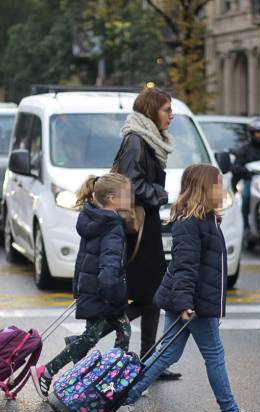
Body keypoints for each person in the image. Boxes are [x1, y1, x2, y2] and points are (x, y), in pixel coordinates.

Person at [112, 164, 260, 412]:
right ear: (204, 189)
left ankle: (126, 399)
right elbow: (184, 266)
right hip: (193, 303)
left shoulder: (204, 219)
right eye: (218, 185)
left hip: (191, 300)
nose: (223, 191)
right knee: (214, 355)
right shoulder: (191, 224)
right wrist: (185, 303)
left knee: (167, 354)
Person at [32, 173, 134, 397]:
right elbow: (109, 265)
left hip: (92, 288)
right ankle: (48, 371)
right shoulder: (111, 226)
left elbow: (85, 259)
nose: (130, 199)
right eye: (127, 195)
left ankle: (111, 378)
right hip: (103, 293)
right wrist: (114, 296)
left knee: (123, 331)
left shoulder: (94, 219)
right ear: (111, 198)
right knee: (95, 336)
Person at [105, 86, 182, 380]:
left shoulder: (149, 139)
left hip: (145, 223)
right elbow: (129, 184)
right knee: (149, 295)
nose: (171, 115)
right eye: (167, 109)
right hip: (135, 226)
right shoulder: (136, 140)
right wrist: (159, 195)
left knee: (152, 293)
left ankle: (148, 361)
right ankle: (96, 335)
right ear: (152, 111)